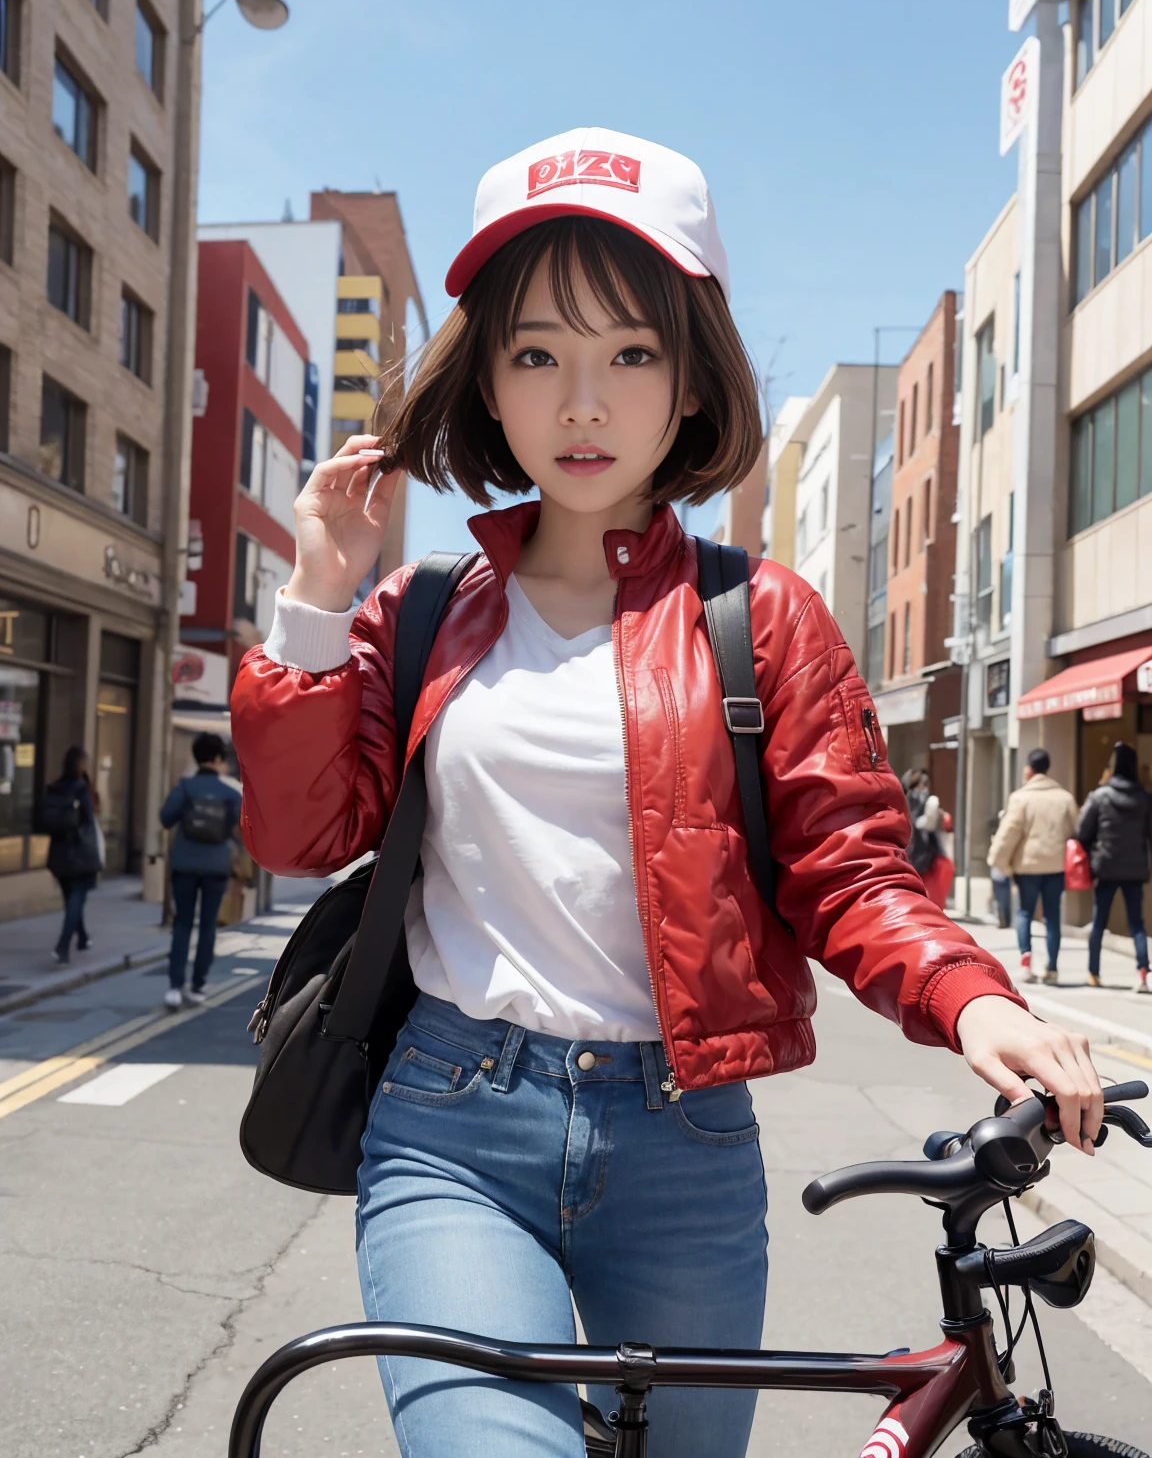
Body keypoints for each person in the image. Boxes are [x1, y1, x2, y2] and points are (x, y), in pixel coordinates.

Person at [231, 129, 1103, 1458]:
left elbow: (850, 866)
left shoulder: (762, 617)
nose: (584, 401)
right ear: (490, 385)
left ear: (692, 380)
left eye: (630, 352)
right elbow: (302, 835)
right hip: (450, 1124)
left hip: (684, 1145)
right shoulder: (413, 617)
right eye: (536, 354)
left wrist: (971, 992)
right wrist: (310, 602)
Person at [159, 731, 242, 1010]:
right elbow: (237, 827)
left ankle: (174, 987)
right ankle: (198, 986)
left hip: (184, 862)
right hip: (216, 865)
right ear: (218, 758)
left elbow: (165, 817)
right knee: (208, 927)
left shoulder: (184, 787)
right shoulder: (231, 793)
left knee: (182, 924)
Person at [988, 748, 1080, 985]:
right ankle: (1052, 968)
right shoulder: (1065, 798)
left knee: (1025, 913)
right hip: (1056, 867)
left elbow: (1009, 833)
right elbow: (1075, 832)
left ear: (1029, 769)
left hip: (1027, 867)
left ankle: (1026, 963)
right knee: (1052, 915)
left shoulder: (1021, 798)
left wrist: (1000, 861)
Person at [1077, 741, 1152, 992]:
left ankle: (1093, 973)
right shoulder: (1144, 798)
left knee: (1099, 921)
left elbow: (1082, 831)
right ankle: (1143, 973)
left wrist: (1093, 854)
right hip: (1135, 868)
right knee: (1137, 923)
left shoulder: (1100, 795)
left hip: (1106, 867)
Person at [42, 746, 102, 965]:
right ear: (80, 765)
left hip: (58, 852)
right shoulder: (80, 788)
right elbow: (88, 818)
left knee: (71, 898)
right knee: (77, 897)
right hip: (80, 851)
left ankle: (83, 938)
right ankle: (63, 945)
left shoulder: (55, 788)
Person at [901, 767, 955, 910]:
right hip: (916, 862)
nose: (923, 789)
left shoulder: (925, 805)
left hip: (918, 861)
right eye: (920, 785)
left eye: (925, 785)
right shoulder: (909, 804)